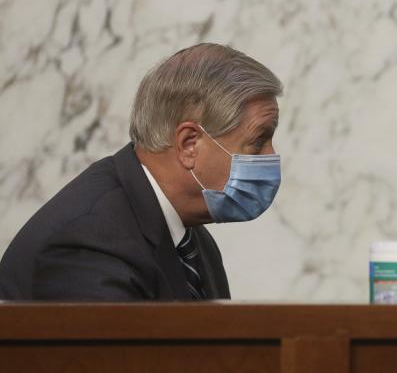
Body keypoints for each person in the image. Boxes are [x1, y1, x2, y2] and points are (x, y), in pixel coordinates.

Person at [0, 43, 283, 300]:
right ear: (188, 145)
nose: (270, 156)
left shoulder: (193, 241)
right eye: (258, 141)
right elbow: (112, 358)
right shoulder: (92, 238)